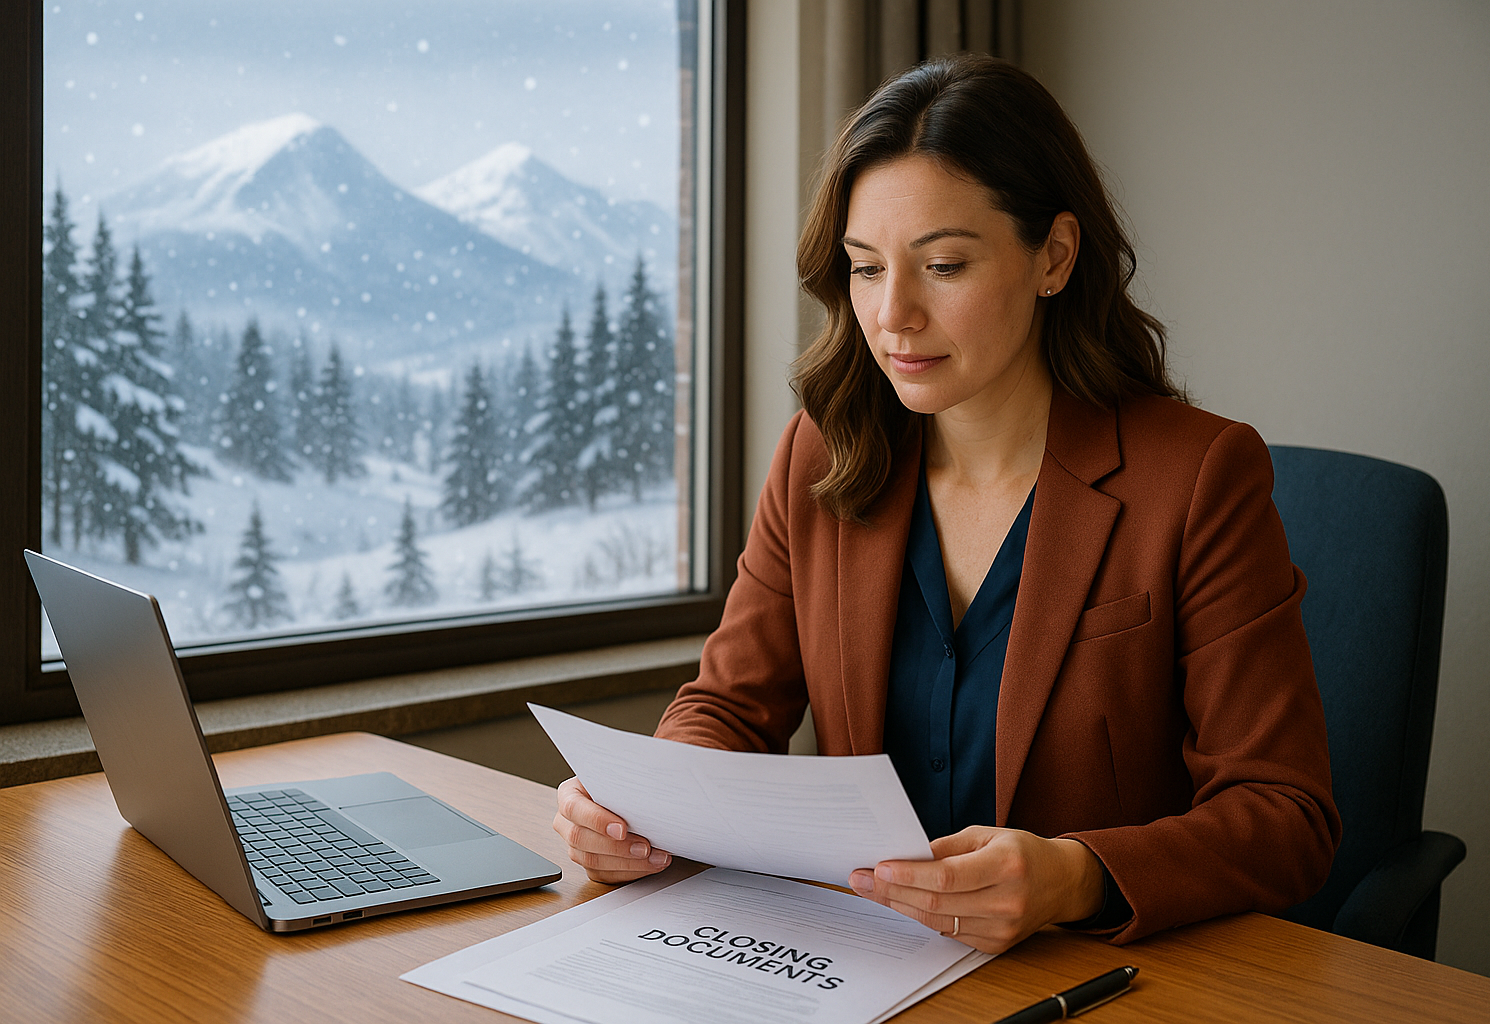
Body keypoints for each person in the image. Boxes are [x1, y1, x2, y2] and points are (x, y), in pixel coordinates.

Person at [554, 53, 1340, 952]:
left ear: (1053, 255)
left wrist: (1075, 874)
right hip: (854, 959)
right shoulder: (827, 450)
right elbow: (728, 708)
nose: (893, 316)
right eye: (864, 268)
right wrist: (643, 810)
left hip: (1085, 977)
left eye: (943, 265)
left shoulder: (1198, 476)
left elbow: (1286, 817)